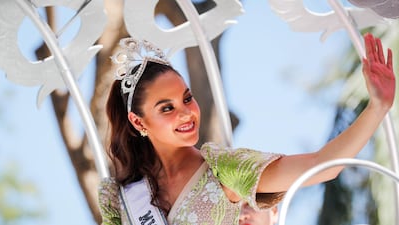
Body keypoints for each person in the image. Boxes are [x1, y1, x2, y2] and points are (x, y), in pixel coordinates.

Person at [98, 33, 395, 225]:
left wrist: (378, 106)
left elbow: (320, 166)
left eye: (187, 98)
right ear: (138, 122)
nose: (186, 112)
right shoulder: (120, 196)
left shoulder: (223, 169)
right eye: (167, 108)